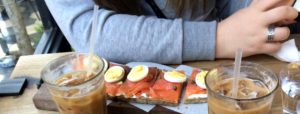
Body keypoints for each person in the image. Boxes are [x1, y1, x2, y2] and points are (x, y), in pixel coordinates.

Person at [44, 0, 298, 64]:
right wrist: (219, 37)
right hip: (119, 101)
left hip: (219, 74)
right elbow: (90, 33)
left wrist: (260, 12)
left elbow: (225, 4)